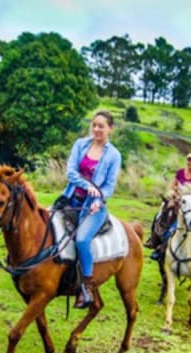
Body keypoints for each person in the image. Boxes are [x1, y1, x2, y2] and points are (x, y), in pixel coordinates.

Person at [62, 110, 122, 308]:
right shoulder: (80, 144)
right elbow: (70, 171)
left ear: (110, 129)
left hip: (93, 207)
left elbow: (109, 186)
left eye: (101, 126)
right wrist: (86, 185)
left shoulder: (114, 155)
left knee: (81, 239)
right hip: (71, 199)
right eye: (94, 125)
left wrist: (99, 199)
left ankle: (86, 287)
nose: (96, 129)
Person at [145, 152, 191, 260]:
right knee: (162, 210)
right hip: (177, 196)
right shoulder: (180, 172)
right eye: (189, 160)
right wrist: (175, 191)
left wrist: (183, 195)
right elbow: (174, 184)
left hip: (187, 201)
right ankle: (153, 238)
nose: (190, 162)